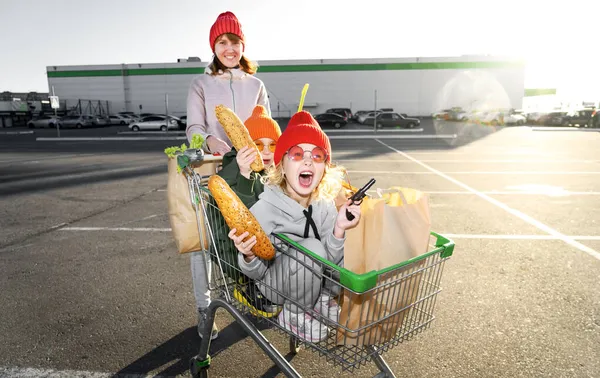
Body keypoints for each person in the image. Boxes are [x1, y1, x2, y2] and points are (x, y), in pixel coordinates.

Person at [228, 111, 361, 342]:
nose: (308, 160)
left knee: (342, 258)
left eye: (317, 155)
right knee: (312, 248)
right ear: (282, 165)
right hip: (274, 286)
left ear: (324, 169)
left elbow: (331, 262)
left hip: (312, 280)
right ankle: (294, 313)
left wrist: (339, 229)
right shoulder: (266, 207)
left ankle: (318, 299)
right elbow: (256, 273)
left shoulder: (325, 205)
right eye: (297, 154)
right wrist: (248, 255)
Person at [185, 10, 270, 340]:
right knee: (204, 245)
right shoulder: (201, 84)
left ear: (242, 45)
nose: (229, 48)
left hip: (247, 172)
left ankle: (252, 289)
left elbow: (265, 126)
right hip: (212, 170)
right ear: (214, 46)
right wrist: (208, 140)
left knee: (254, 236)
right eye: (222, 41)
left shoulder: (256, 85)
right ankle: (204, 308)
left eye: (234, 41)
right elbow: (193, 127)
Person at [214, 104, 282, 317]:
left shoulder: (274, 173)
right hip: (236, 247)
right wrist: (244, 174)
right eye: (259, 145)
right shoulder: (233, 174)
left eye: (273, 145)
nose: (266, 151)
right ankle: (254, 287)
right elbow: (246, 214)